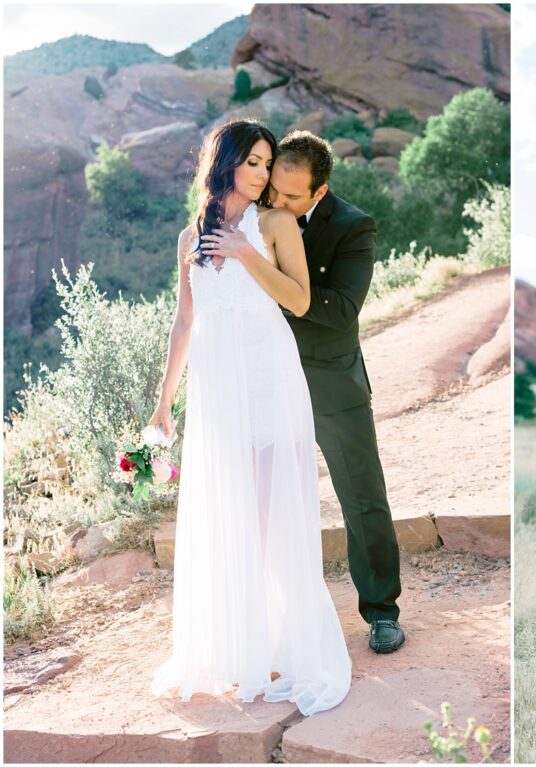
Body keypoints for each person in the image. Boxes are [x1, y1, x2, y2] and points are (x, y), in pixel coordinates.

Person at [149, 119, 351, 715]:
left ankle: (283, 648)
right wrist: (164, 402)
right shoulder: (190, 236)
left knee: (269, 516)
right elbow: (185, 323)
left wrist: (243, 253)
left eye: (269, 164)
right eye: (255, 162)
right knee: (227, 513)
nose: (264, 173)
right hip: (217, 386)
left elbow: (299, 300)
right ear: (226, 161)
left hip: (267, 378)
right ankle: (237, 649)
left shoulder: (275, 224)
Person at [199, 130, 404, 654]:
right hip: (262, 377)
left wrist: (276, 288)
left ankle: (382, 612)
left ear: (319, 191)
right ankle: (267, 619)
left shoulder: (354, 227)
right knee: (259, 499)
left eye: (291, 197)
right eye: (272, 188)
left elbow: (340, 312)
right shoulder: (250, 214)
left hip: (328, 377)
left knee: (361, 496)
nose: (277, 201)